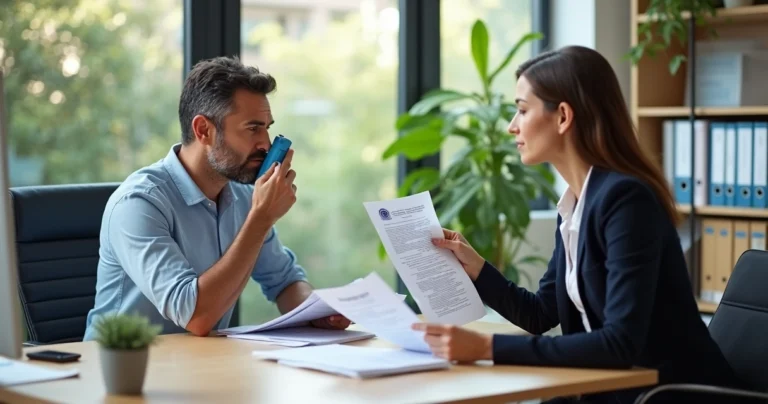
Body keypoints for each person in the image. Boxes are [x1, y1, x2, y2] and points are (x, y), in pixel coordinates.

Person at [412, 46, 746, 403]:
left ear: (563, 117)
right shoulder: (576, 203)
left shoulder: (626, 202)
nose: (512, 126)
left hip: (674, 395)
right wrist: (477, 269)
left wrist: (485, 346)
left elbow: (620, 343)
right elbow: (540, 313)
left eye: (522, 110)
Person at [84, 56, 349, 340]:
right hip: (120, 372)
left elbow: (284, 282)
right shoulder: (138, 204)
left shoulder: (245, 197)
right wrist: (261, 218)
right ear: (204, 131)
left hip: (197, 367)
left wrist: (318, 310)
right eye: (252, 128)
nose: (266, 143)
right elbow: (196, 316)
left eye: (267, 128)